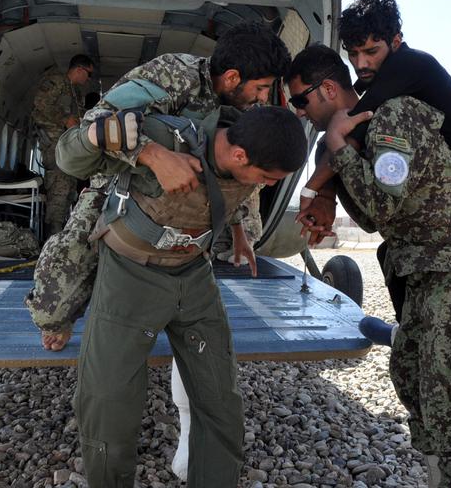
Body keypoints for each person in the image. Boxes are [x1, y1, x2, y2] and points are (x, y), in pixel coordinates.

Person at [287, 44, 451, 488]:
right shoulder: (348, 141)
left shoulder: (392, 117)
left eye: (300, 100)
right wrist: (326, 189)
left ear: (328, 88)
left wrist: (337, 152)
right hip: (423, 267)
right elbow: (368, 217)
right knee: (411, 377)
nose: (299, 112)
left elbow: (383, 206)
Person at [58, 104, 307, 487]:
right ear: (240, 155)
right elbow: (69, 157)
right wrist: (146, 153)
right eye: (267, 177)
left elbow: (233, 191)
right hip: (130, 273)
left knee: (221, 403)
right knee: (107, 402)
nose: (270, 185)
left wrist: (240, 235)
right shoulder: (164, 138)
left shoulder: (247, 155)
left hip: (193, 273)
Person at [25, 20, 291, 352]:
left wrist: (239, 231)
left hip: (187, 205)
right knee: (55, 301)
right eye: (262, 87)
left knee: (184, 286)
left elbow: (241, 172)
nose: (264, 97)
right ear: (233, 78)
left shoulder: (246, 109)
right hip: (120, 183)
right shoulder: (174, 74)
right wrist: (152, 155)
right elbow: (99, 123)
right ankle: (60, 320)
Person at [31, 53, 95, 238]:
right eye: (88, 74)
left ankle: (63, 227)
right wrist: (65, 119)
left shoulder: (75, 92)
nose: (88, 79)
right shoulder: (56, 81)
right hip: (53, 141)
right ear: (79, 69)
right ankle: (53, 231)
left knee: (69, 184)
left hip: (67, 144)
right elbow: (40, 103)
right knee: (59, 182)